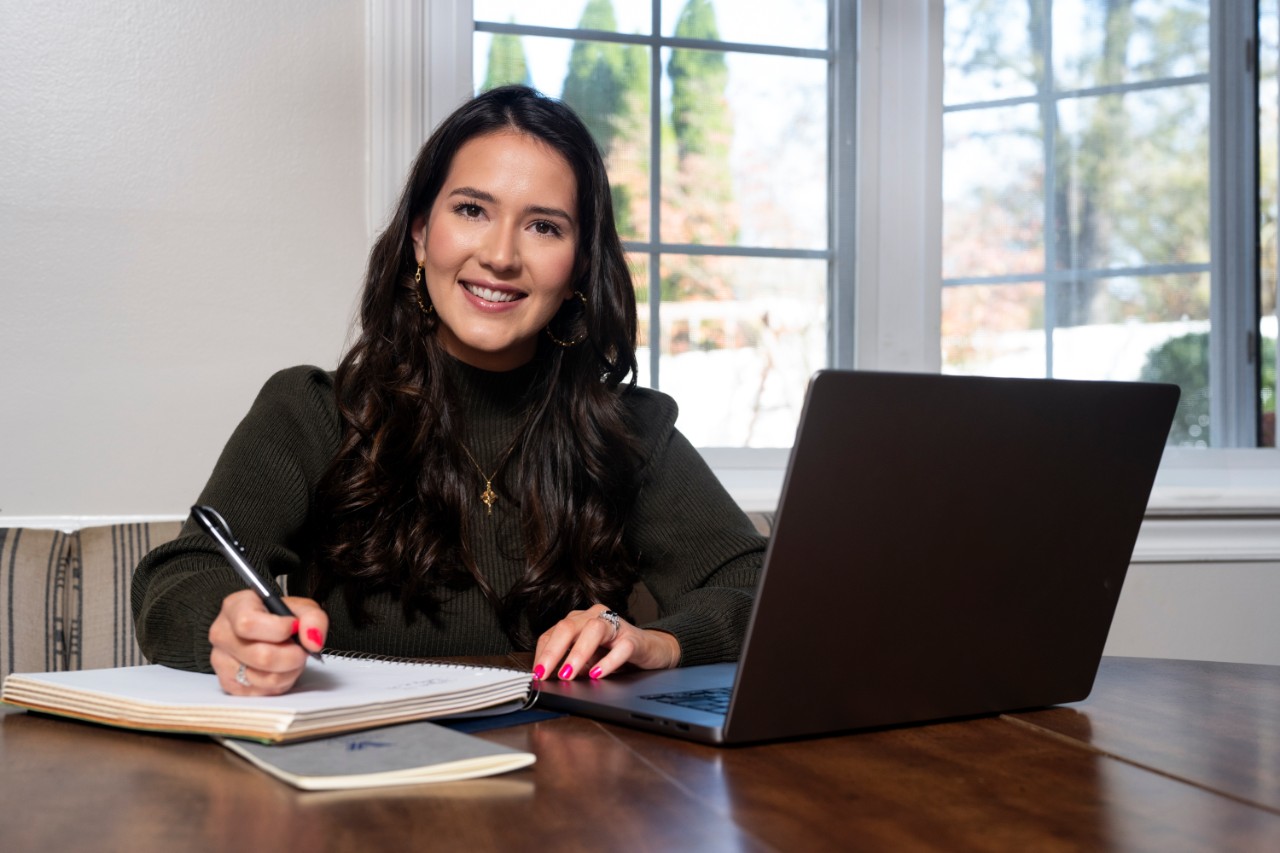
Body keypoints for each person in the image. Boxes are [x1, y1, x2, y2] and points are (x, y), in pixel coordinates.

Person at [132, 85, 766, 696]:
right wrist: (231, 629)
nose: (500, 256)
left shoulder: (629, 430)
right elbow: (180, 579)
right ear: (419, 233)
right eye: (471, 210)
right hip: (368, 758)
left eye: (544, 226)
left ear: (578, 266)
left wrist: (664, 643)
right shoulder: (313, 411)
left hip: (570, 761)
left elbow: (760, 586)